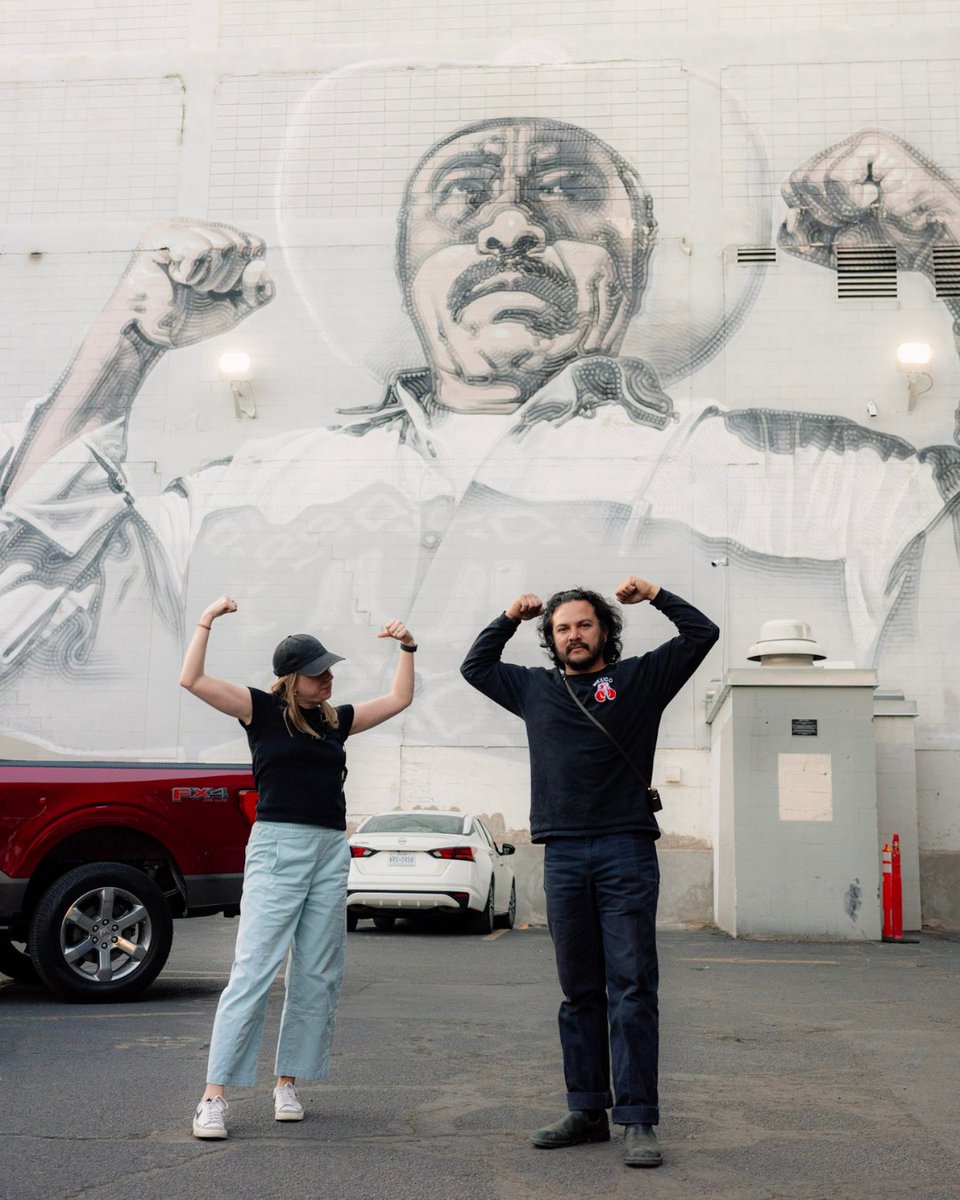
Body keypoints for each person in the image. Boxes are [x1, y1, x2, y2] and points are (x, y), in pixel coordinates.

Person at [0, 121, 957, 758]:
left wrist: (944, 238)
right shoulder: (239, 491)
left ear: (640, 251)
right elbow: (25, 644)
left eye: (565, 194)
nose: (509, 227)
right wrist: (122, 348)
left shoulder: (819, 479)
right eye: (463, 197)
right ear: (407, 265)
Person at [460, 575, 718, 1167]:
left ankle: (638, 1119)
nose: (573, 635)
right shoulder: (532, 689)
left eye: (583, 624)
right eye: (561, 629)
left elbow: (703, 632)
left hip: (626, 848)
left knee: (631, 987)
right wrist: (507, 615)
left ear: (604, 630)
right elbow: (476, 667)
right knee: (578, 992)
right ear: (550, 639)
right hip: (563, 853)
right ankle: (586, 1109)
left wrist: (656, 593)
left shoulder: (638, 681)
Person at [179, 594, 417, 1139]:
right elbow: (191, 678)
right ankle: (213, 1096)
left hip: (330, 850)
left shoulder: (335, 721)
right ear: (289, 679)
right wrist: (206, 620)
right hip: (278, 847)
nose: (328, 678)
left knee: (317, 974)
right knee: (254, 971)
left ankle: (287, 1082)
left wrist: (408, 646)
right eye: (317, 673)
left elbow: (399, 698)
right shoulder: (258, 710)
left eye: (329, 670)